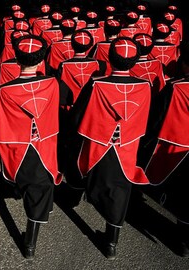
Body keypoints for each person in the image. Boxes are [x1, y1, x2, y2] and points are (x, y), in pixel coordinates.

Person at [73, 37, 151, 260]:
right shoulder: (144, 85)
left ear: (109, 58)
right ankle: (111, 242)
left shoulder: (97, 83)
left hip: (99, 143)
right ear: (134, 62)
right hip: (127, 145)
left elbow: (79, 115)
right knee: (120, 190)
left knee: (96, 181)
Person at [0, 34, 63, 259]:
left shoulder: (5, 90)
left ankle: (30, 241)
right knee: (40, 191)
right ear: (41, 60)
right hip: (43, 145)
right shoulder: (52, 83)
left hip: (18, 149)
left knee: (22, 180)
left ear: (17, 59)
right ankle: (31, 243)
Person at [144, 40, 189, 258]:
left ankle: (182, 240)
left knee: (182, 195)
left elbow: (157, 119)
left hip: (177, 147)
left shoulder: (174, 88)